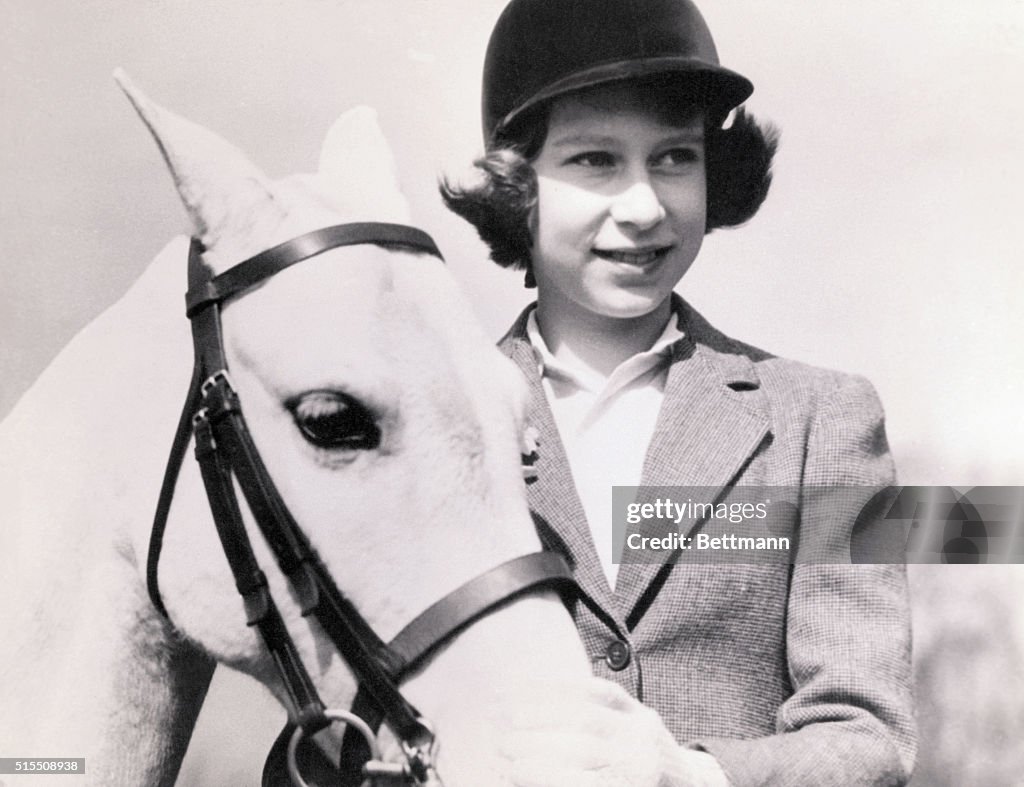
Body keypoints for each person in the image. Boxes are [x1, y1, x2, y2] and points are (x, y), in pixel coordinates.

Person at [441, 0, 916, 784]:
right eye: (595, 160)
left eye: (674, 158)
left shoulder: (826, 421)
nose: (645, 206)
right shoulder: (434, 422)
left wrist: (685, 774)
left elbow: (871, 735)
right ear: (516, 185)